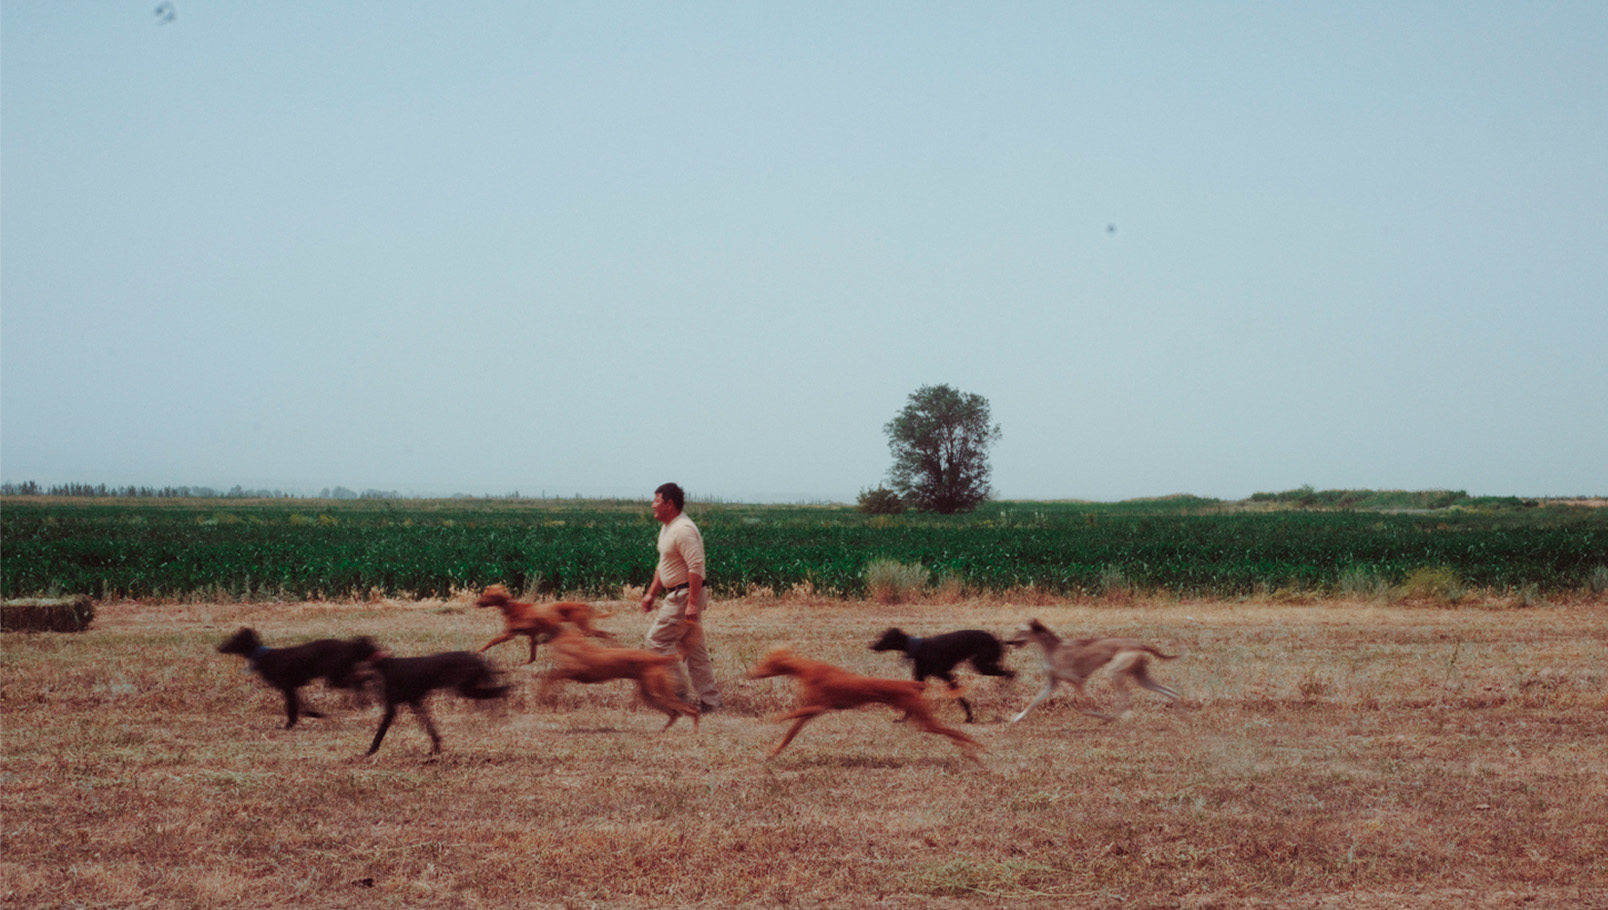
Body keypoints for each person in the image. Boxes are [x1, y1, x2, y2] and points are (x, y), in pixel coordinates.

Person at [639, 482, 722, 713]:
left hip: (684, 595)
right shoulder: (669, 528)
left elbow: (696, 565)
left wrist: (692, 604)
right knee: (694, 651)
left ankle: (678, 696)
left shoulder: (683, 529)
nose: (652, 504)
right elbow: (664, 564)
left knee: (656, 641)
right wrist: (651, 594)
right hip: (680, 593)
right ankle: (711, 702)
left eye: (656, 500)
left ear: (669, 504)